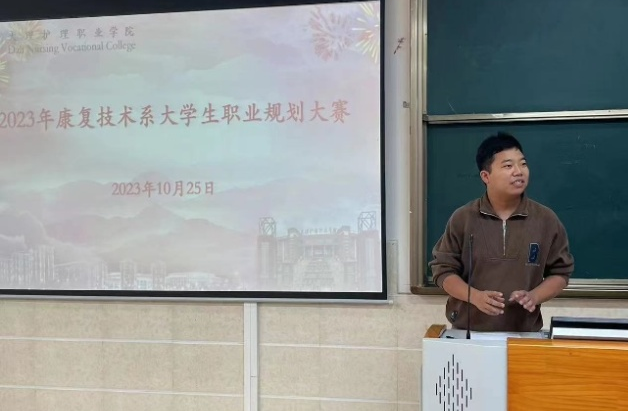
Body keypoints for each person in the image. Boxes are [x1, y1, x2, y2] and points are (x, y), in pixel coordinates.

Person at [429, 132, 574, 332]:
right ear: (486, 176)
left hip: (524, 333)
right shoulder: (463, 218)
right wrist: (475, 297)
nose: (519, 172)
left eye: (523, 164)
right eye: (508, 166)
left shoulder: (546, 219)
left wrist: (534, 296)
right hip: (468, 333)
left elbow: (560, 273)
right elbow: (443, 271)